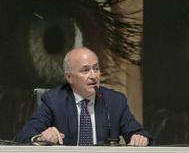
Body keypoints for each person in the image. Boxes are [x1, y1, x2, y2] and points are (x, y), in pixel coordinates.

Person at [16, 47, 150, 146]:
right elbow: (23, 137)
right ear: (69, 77)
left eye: (96, 69)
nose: (93, 76)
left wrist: (140, 138)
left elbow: (139, 133)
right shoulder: (54, 101)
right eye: (85, 70)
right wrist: (41, 138)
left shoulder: (114, 101)